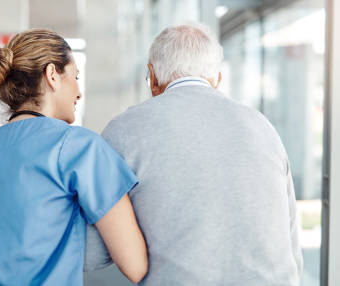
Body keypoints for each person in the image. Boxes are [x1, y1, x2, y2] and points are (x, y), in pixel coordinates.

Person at [85, 23, 303, 285]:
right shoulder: (263, 127)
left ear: (152, 77)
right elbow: (290, 242)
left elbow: (93, 254)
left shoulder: (124, 130)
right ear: (217, 79)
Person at [0, 29, 148, 285]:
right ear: (52, 75)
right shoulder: (79, 146)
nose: (79, 92)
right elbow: (135, 265)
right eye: (76, 77)